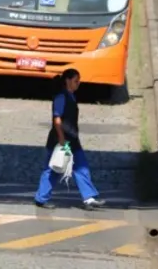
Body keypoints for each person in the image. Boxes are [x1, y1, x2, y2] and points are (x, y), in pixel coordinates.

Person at [34, 68, 107, 210]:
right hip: (62, 141)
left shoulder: (70, 96)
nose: (78, 84)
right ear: (67, 81)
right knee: (54, 167)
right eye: (76, 81)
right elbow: (57, 120)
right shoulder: (61, 97)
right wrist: (61, 139)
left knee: (81, 166)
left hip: (72, 140)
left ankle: (89, 198)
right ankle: (41, 198)